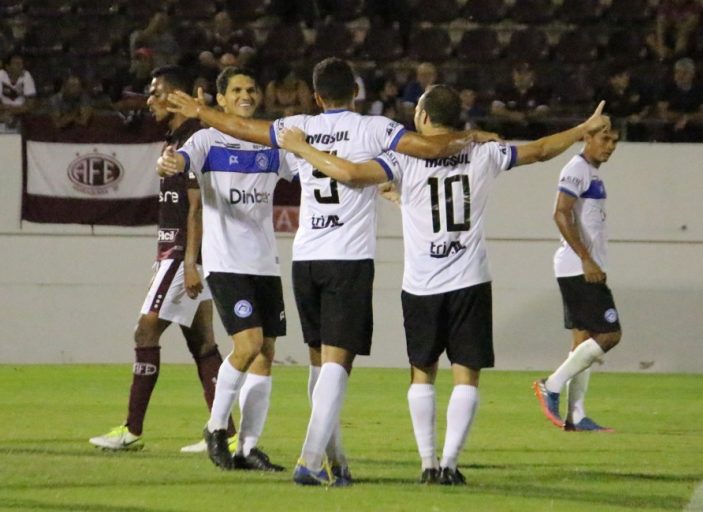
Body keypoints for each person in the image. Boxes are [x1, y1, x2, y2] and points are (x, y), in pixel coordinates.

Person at [165, 57, 497, 486]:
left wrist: (202, 113)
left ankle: (335, 463)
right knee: (338, 368)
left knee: (320, 367)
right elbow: (432, 147)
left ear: (317, 96)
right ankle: (308, 459)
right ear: (355, 93)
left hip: (306, 260)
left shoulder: (298, 125)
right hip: (348, 260)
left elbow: (245, 129)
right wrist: (471, 137)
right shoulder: (375, 129)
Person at [277, 86, 609, 485]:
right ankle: (450, 465)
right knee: (466, 376)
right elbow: (538, 150)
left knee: (422, 375)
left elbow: (352, 174)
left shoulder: (404, 156)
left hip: (420, 284)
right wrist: (581, 130)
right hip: (469, 279)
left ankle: (428, 463)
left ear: (424, 117)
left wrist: (304, 149)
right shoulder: (485, 151)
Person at [89, 65, 235, 452]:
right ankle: (225, 432)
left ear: (178, 96)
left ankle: (131, 430)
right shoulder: (178, 137)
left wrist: (188, 263)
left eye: (156, 93)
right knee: (203, 343)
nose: (149, 100)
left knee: (145, 330)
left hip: (183, 255)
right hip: (182, 255)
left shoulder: (195, 139)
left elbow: (197, 205)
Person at [156, 66, 290, 471]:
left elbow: (308, 169)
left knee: (265, 353)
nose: (246, 94)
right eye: (237, 90)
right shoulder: (206, 139)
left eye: (251, 88)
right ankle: (216, 429)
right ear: (223, 99)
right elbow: (180, 160)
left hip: (265, 262)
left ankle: (249, 448)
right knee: (247, 346)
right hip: (227, 261)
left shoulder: (272, 143)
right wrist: (170, 162)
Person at [533, 125, 621, 433]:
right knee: (609, 334)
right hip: (577, 267)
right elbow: (560, 213)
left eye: (614, 141)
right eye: (604, 138)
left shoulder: (592, 173)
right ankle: (551, 385)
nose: (610, 146)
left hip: (581, 266)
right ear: (587, 138)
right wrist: (586, 258)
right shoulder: (576, 168)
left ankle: (576, 415)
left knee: (583, 340)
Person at [656, 57, 703, 142]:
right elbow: (662, 113)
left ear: (693, 74)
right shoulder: (667, 89)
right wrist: (683, 117)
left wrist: (687, 118)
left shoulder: (702, 90)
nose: (680, 76)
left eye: (685, 73)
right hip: (670, 136)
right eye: (678, 72)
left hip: (694, 136)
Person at [0, 52, 36, 130]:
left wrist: (11, 111)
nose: (21, 66)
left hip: (21, 114)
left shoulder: (26, 76)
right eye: (16, 64)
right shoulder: (1, 76)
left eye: (21, 63)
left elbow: (30, 105)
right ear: (8, 67)